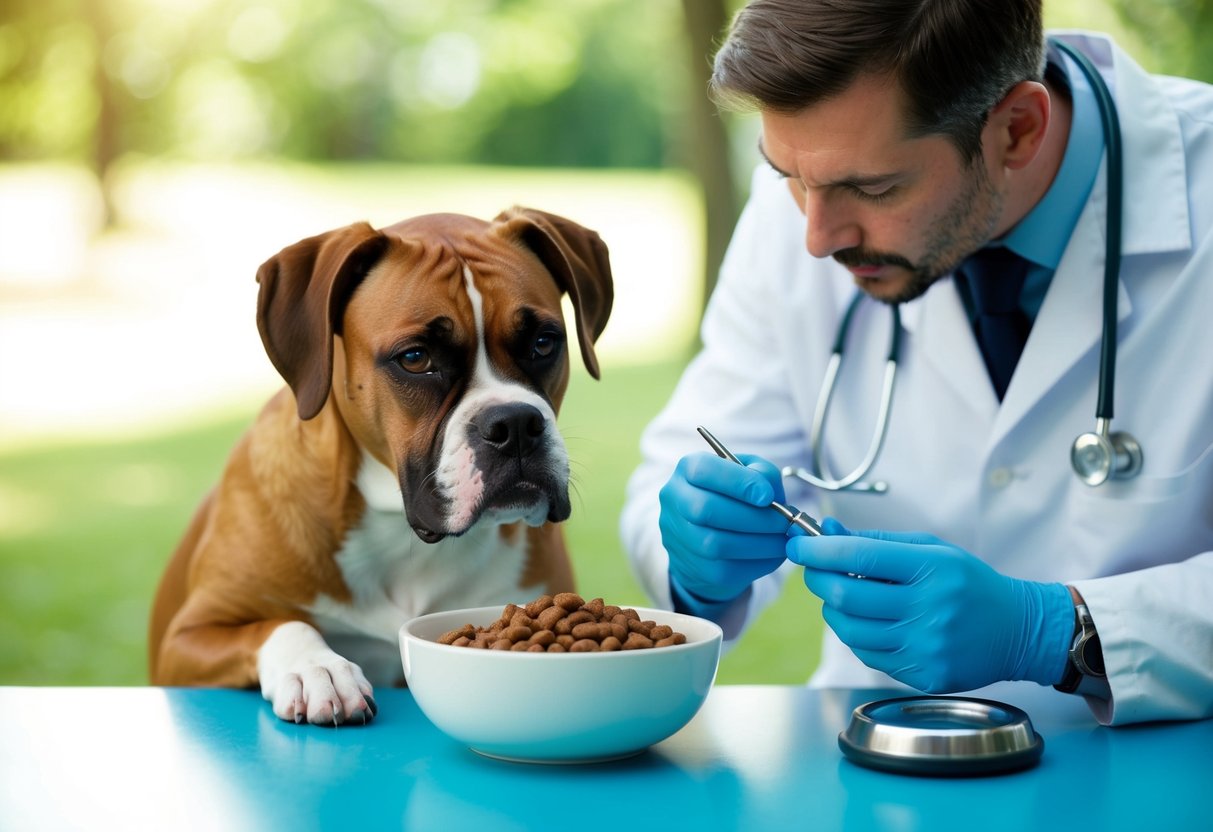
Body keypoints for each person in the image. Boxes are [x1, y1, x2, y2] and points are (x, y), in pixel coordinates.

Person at [620, 0, 1213, 726]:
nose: (815, 237)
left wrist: (1060, 631)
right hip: (878, 769)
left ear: (1015, 129)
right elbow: (689, 456)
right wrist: (697, 559)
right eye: (788, 177)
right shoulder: (808, 204)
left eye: (873, 189)